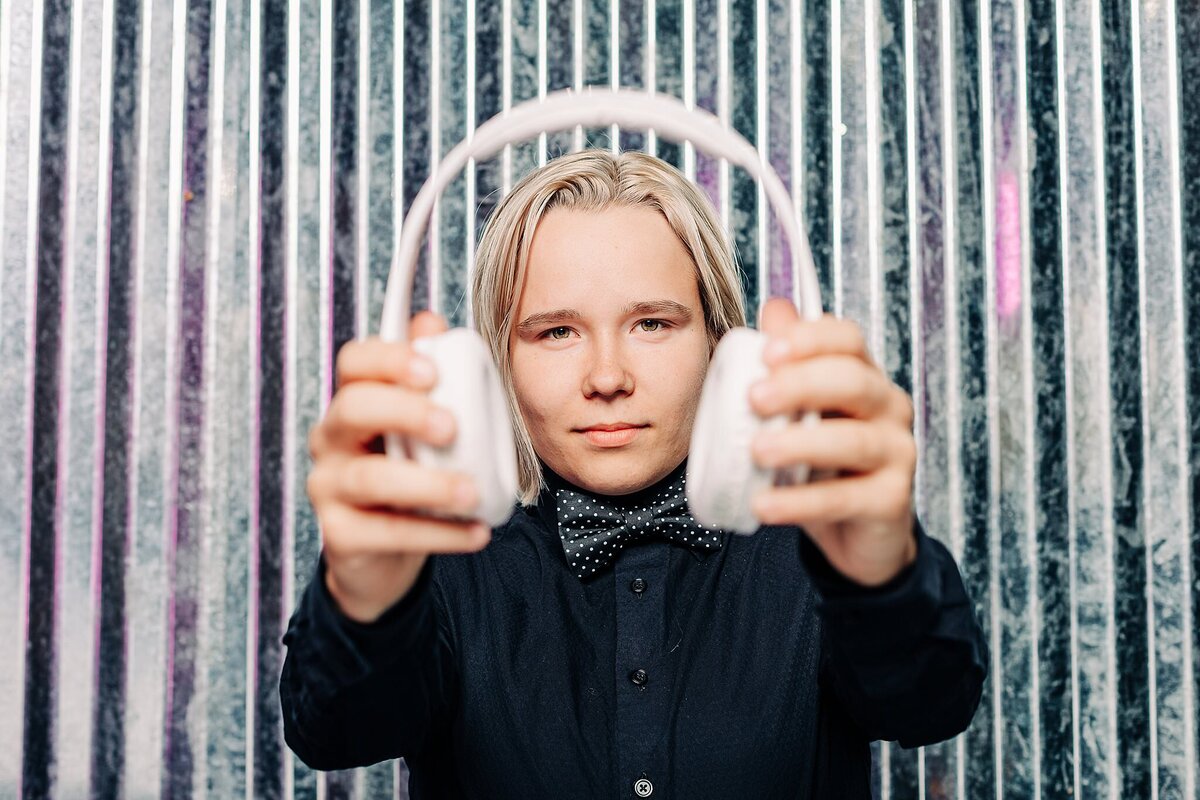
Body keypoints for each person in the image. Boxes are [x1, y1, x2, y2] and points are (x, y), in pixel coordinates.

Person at [280, 150, 987, 799]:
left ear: (722, 343)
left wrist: (883, 576)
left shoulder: (822, 545)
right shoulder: (435, 560)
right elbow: (337, 731)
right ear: (496, 361)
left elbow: (931, 702)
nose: (608, 377)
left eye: (652, 323)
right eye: (556, 331)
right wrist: (361, 596)